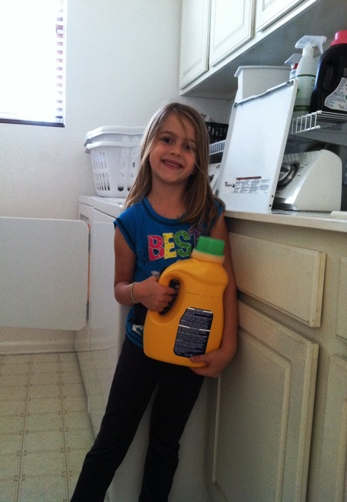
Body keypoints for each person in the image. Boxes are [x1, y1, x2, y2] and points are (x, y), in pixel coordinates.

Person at [71, 102, 238, 502]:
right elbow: (119, 288)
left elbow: (226, 284)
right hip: (141, 349)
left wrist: (228, 347)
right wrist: (140, 293)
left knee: (166, 447)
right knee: (111, 442)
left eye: (189, 146)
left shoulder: (208, 216)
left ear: (200, 160)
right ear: (149, 146)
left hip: (189, 353)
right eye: (167, 140)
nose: (176, 151)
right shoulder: (130, 222)